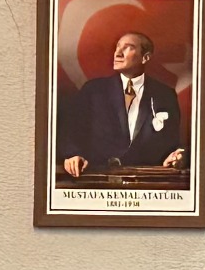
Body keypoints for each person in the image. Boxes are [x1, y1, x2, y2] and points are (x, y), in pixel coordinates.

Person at [58, 32, 188, 177]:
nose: (118, 53)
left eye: (128, 47)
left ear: (145, 57)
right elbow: (72, 132)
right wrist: (73, 154)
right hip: (98, 178)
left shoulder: (165, 95)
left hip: (145, 180)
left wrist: (176, 155)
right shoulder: (94, 90)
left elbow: (171, 142)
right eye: (117, 47)